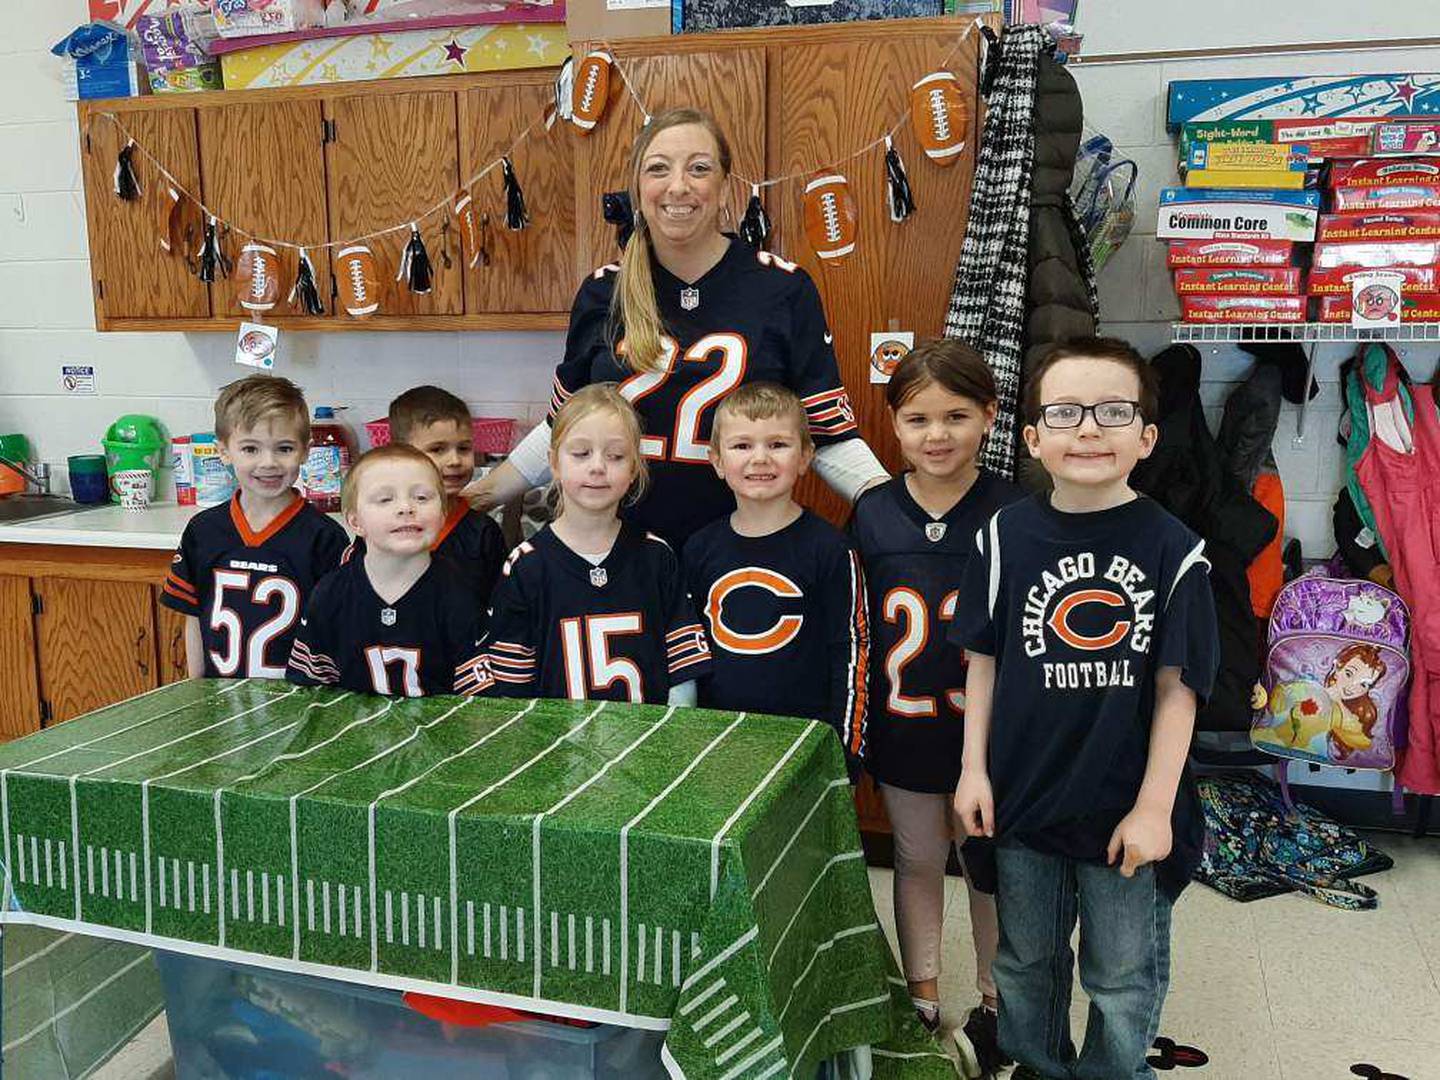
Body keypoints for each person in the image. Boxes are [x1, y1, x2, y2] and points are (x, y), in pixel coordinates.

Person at [949, 337, 1219, 1079]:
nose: (1089, 429)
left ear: (1147, 436)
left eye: (1112, 411)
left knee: (1120, 975)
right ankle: (1038, 1065)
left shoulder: (1176, 550)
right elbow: (982, 660)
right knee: (1026, 963)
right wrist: (973, 770)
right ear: (1033, 436)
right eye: (1066, 412)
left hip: (1122, 803)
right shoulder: (1002, 537)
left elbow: (1179, 689)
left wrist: (1156, 809)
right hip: (1023, 800)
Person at [463, 106, 888, 550]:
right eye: (658, 169)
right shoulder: (602, 293)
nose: (678, 186)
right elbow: (562, 430)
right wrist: (467, 502)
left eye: (699, 168)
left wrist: (897, 507)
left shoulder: (782, 289)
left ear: (725, 186)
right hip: (620, 552)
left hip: (739, 548)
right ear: (639, 187)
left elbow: (827, 434)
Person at [849, 341, 1020, 1077]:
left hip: (993, 736)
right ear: (893, 425)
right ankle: (921, 997)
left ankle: (995, 1005)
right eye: (917, 418)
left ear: (989, 415)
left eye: (956, 415)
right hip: (906, 725)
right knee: (916, 859)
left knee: (989, 869)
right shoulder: (872, 513)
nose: (937, 434)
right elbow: (855, 631)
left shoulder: (1020, 510)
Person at [460, 385, 711, 703]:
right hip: (558, 748)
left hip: (644, 746)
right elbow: (511, 688)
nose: (597, 466)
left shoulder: (657, 557)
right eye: (581, 453)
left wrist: (671, 736)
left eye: (616, 456)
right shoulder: (526, 565)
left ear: (634, 468)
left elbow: (683, 668)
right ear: (554, 463)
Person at [682, 383, 869, 761]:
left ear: (805, 457)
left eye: (778, 445)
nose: (760, 458)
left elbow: (852, 651)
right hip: (718, 746)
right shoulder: (699, 549)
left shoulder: (831, 549)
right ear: (716, 460)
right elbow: (687, 653)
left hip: (805, 748)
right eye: (742, 445)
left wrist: (844, 752)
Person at [161, 374, 347, 680]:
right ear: (223, 450)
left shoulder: (325, 537)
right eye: (250, 449)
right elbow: (193, 615)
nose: (268, 462)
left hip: (298, 707)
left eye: (284, 448)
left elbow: (338, 630)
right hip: (220, 704)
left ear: (305, 450)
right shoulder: (203, 530)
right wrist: (195, 688)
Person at [286, 445, 482, 697]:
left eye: (421, 497)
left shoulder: (461, 594)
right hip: (353, 732)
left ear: (443, 514)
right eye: (385, 499)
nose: (406, 508)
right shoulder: (331, 593)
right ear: (355, 521)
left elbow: (477, 702)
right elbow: (310, 687)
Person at [343, 385, 505, 613]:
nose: (455, 460)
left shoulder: (483, 533)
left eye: (464, 448)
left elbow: (497, 607)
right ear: (402, 452)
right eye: (438, 449)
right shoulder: (380, 526)